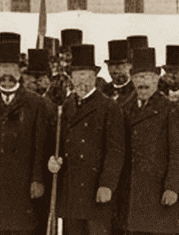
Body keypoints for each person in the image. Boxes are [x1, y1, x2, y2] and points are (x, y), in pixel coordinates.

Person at [46, 44, 125, 235]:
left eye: (86, 74)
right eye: (77, 74)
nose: (82, 80)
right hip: (71, 190)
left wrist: (107, 184)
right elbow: (56, 142)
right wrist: (52, 160)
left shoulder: (108, 107)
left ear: (95, 77)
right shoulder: (66, 106)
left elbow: (115, 151)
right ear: (71, 78)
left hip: (96, 191)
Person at [0, 39, 47, 235]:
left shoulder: (35, 103)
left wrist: (38, 179)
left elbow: (40, 145)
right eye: (1, 67)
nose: (6, 73)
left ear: (19, 71)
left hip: (22, 188)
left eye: (11, 68)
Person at [117, 47, 179, 235]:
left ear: (157, 79)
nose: (143, 82)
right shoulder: (123, 109)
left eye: (147, 77)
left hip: (158, 192)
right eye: (138, 78)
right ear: (132, 80)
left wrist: (172, 187)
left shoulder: (171, 109)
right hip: (130, 193)